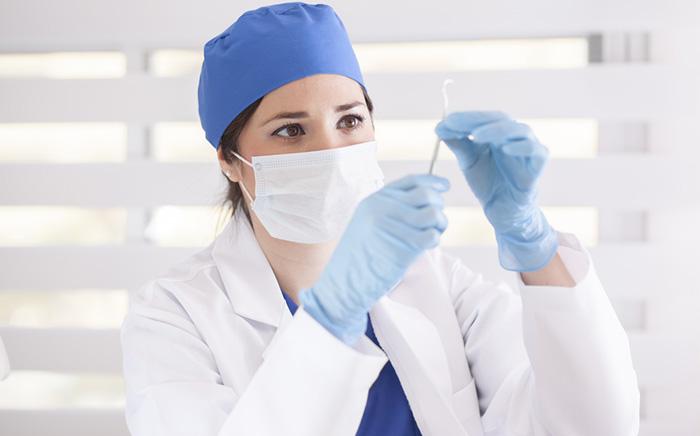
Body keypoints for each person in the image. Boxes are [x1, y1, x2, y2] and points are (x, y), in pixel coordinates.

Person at [120, 3, 640, 435]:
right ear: (231, 162)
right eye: (289, 131)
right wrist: (332, 315)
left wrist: (534, 243)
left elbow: (595, 425)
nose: (331, 148)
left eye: (350, 120)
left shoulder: (437, 283)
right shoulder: (172, 317)